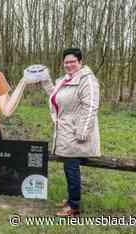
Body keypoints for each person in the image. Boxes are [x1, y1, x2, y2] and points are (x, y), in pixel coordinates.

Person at [39, 48, 101, 216]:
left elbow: (91, 106)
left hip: (76, 131)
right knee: (68, 166)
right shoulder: (65, 79)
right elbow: (55, 95)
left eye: (73, 61)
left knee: (71, 166)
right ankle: (71, 199)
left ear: (80, 62)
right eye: (66, 62)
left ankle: (73, 206)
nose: (69, 64)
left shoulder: (87, 80)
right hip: (65, 129)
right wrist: (46, 81)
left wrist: (83, 131)